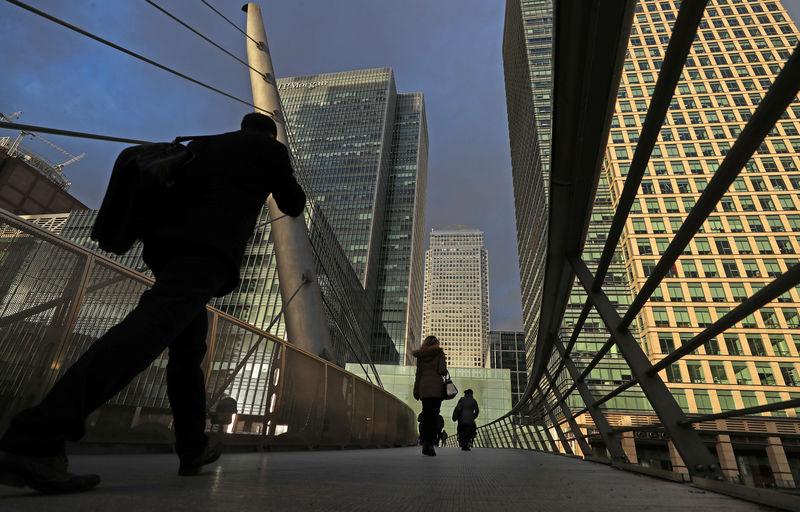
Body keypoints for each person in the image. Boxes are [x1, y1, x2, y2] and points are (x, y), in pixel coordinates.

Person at [0, 113, 306, 494]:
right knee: (145, 334)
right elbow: (292, 203)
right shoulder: (269, 149)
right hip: (208, 251)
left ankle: (193, 447)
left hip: (166, 247)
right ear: (269, 133)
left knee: (188, 349)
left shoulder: (203, 142)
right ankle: (36, 439)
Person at [412, 335, 447, 457]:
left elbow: (418, 375)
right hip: (436, 389)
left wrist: (416, 390)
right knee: (434, 417)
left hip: (424, 388)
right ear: (436, 343)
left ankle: (425, 443)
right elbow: (442, 370)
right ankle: (431, 446)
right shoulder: (439, 354)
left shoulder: (421, 356)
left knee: (426, 416)